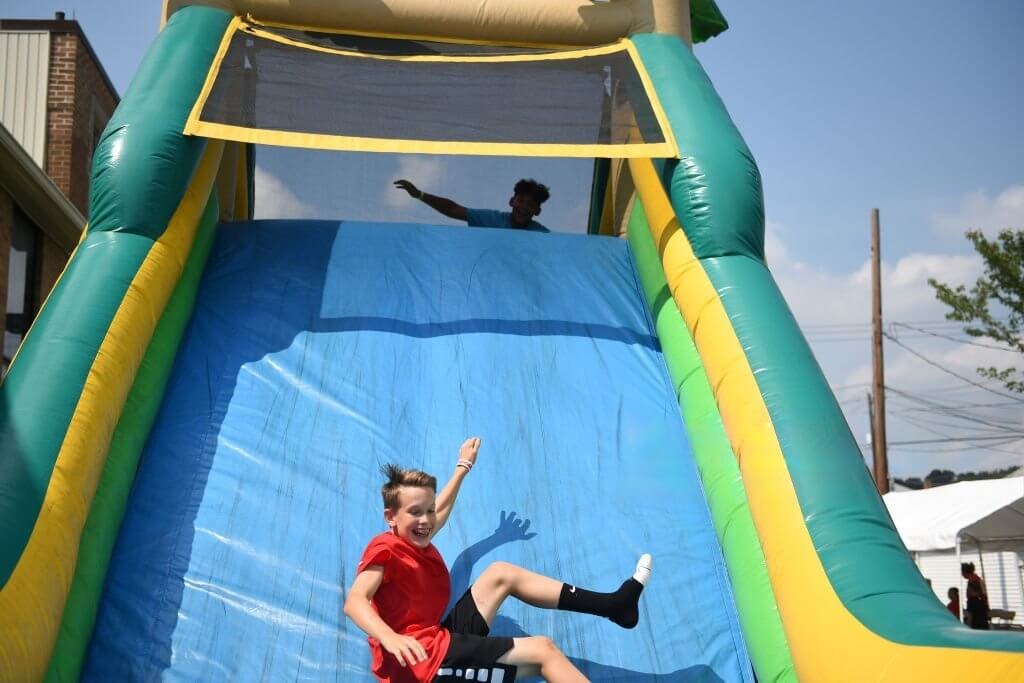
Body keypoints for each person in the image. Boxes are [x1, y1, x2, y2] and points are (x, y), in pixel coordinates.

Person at [344, 437, 652, 682]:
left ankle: (614, 606)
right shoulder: (385, 548)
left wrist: (462, 467)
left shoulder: (416, 538)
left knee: (500, 573)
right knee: (544, 652)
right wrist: (389, 637)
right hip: (422, 666)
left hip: (437, 641)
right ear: (390, 517)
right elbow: (356, 600)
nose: (426, 520)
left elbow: (442, 509)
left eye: (429, 510)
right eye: (415, 512)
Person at [394, 178, 551, 233]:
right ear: (511, 202)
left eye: (530, 205)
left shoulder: (544, 236)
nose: (524, 207)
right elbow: (453, 209)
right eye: (521, 201)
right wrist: (419, 195)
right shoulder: (491, 219)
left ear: (537, 211)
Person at [961, 562, 990, 630]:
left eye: (962, 572)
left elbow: (977, 592)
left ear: (965, 572)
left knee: (976, 624)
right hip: (981, 604)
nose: (962, 575)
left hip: (975, 603)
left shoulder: (972, 581)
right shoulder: (977, 578)